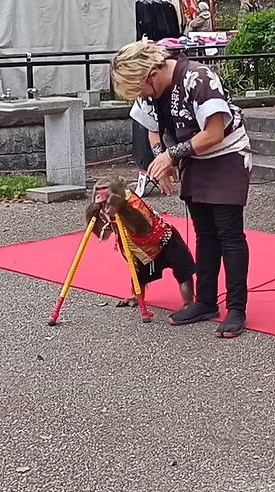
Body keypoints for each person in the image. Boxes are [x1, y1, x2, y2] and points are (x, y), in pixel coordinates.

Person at [110, 40, 253, 338]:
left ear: (150, 75)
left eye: (139, 90)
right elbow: (152, 128)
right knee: (204, 233)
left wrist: (171, 155)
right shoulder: (151, 92)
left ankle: (237, 308)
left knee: (228, 233)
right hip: (192, 157)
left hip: (226, 153)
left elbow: (214, 132)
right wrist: (163, 157)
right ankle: (205, 301)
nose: (141, 97)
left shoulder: (198, 79)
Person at [85, 174, 196, 308]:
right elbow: (102, 236)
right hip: (139, 247)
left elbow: (142, 229)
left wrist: (122, 209)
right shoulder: (103, 209)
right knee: (138, 271)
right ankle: (137, 296)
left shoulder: (133, 203)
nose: (103, 204)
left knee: (182, 269)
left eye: (105, 198)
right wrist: (92, 213)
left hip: (164, 240)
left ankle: (188, 302)